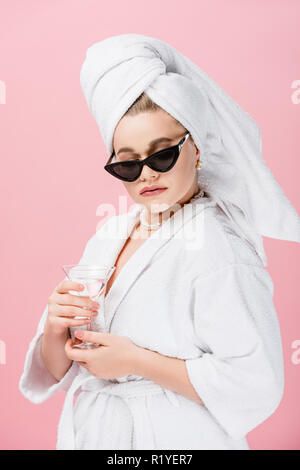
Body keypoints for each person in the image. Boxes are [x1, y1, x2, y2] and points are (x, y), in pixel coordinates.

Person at [19, 34, 299, 450]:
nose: (146, 174)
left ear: (197, 148)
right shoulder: (109, 235)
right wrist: (56, 328)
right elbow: (60, 367)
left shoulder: (220, 249)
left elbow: (255, 382)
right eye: (128, 163)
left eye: (162, 154)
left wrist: (136, 362)